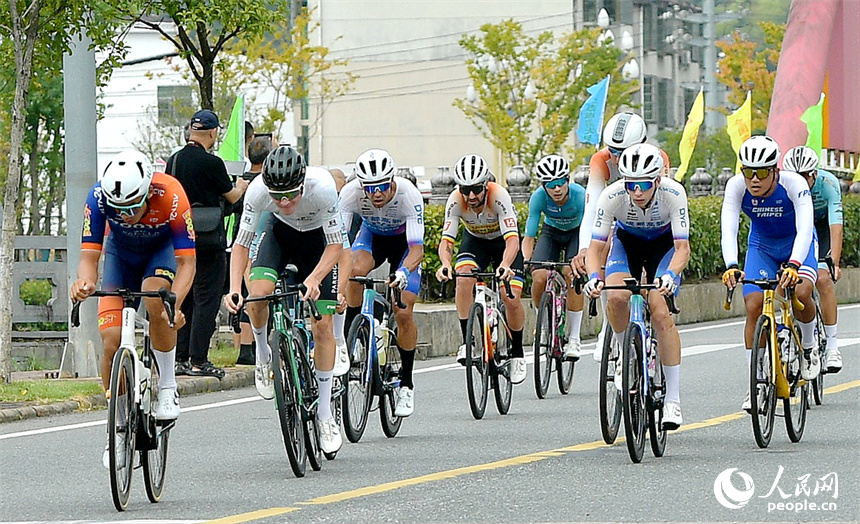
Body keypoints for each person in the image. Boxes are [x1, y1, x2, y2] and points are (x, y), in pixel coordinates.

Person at [69, 150, 195, 466]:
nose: (124, 216)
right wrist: (84, 283)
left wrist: (174, 303)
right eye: (118, 210)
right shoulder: (97, 198)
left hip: (160, 253)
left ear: (147, 191)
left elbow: (187, 262)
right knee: (110, 340)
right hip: (120, 258)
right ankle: (120, 426)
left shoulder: (171, 194)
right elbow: (88, 258)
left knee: (157, 299)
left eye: (132, 207)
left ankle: (167, 385)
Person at [224, 145, 344, 454]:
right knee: (258, 294)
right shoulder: (257, 193)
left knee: (322, 324)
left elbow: (336, 247)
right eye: (278, 197)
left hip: (318, 242)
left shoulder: (324, 189)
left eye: (291, 194)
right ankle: (264, 355)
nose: (285, 201)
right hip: (279, 233)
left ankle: (324, 413)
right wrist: (235, 287)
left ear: (303, 183)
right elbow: (241, 245)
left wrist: (315, 279)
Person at [581, 143, 690, 430]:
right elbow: (595, 249)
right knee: (616, 297)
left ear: (656, 181)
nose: (636, 191)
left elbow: (682, 249)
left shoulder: (674, 193)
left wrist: (670, 275)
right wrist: (593, 277)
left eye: (643, 184)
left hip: (664, 247)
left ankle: (673, 401)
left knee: (659, 310)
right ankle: (623, 355)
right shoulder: (612, 196)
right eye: (630, 184)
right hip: (627, 244)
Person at [721, 135, 820, 413]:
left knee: (801, 292)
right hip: (761, 247)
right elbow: (728, 228)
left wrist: (795, 264)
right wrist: (731, 264)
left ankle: (810, 347)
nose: (754, 179)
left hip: (796, 244)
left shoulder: (794, 184)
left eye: (762, 172)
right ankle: (756, 382)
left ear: (775, 171)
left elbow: (805, 227)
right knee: (753, 305)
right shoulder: (736, 186)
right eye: (748, 171)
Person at [571, 112, 670, 361]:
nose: (616, 158)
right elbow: (592, 207)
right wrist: (584, 248)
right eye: (612, 151)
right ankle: (610, 324)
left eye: (622, 151)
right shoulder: (601, 161)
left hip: (648, 219)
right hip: (615, 212)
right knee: (602, 245)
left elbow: (663, 206)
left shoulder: (657, 159)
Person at [341, 149, 425, 417]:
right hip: (372, 237)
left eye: (382, 187)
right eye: (370, 188)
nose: (376, 194)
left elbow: (417, 250)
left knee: (402, 311)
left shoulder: (408, 194)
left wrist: (402, 273)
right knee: (353, 271)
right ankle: (353, 338)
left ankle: (407, 383)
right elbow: (340, 244)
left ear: (392, 181)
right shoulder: (350, 193)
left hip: (404, 246)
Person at [166, 109, 248, 378]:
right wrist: (243, 186)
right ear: (213, 133)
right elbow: (232, 196)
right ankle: (198, 359)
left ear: (191, 130)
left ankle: (178, 357)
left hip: (181, 238)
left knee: (184, 295)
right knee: (207, 299)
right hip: (210, 240)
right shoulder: (213, 163)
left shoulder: (174, 160)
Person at [435, 154, 528, 385]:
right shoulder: (456, 200)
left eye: (476, 189)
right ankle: (468, 342)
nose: (472, 196)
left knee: (511, 297)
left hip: (503, 243)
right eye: (466, 190)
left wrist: (506, 265)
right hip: (475, 241)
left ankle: (517, 352)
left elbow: (513, 241)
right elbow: (447, 241)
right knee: (463, 277)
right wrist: (445, 264)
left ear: (486, 185)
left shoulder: (499, 196)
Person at [782, 146, 843, 374]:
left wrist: (834, 262)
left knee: (824, 278)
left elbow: (835, 226)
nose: (800, 181)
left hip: (820, 227)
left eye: (805, 176)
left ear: (814, 174)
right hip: (796, 230)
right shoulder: (782, 186)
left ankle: (833, 346)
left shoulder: (828, 184)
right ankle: (787, 330)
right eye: (794, 176)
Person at [522, 154, 586, 361]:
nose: (557, 189)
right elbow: (529, 236)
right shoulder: (538, 197)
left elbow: (589, 229)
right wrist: (525, 260)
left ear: (568, 181)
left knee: (571, 273)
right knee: (539, 276)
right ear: (544, 186)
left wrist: (585, 255)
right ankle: (543, 325)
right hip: (551, 232)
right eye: (551, 185)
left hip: (577, 233)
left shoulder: (580, 195)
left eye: (561, 183)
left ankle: (575, 338)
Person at [231, 135, 274, 365]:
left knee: (249, 294)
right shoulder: (264, 182)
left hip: (243, 237)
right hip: (254, 239)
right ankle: (254, 347)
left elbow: (231, 206)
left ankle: (245, 347)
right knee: (255, 292)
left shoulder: (242, 181)